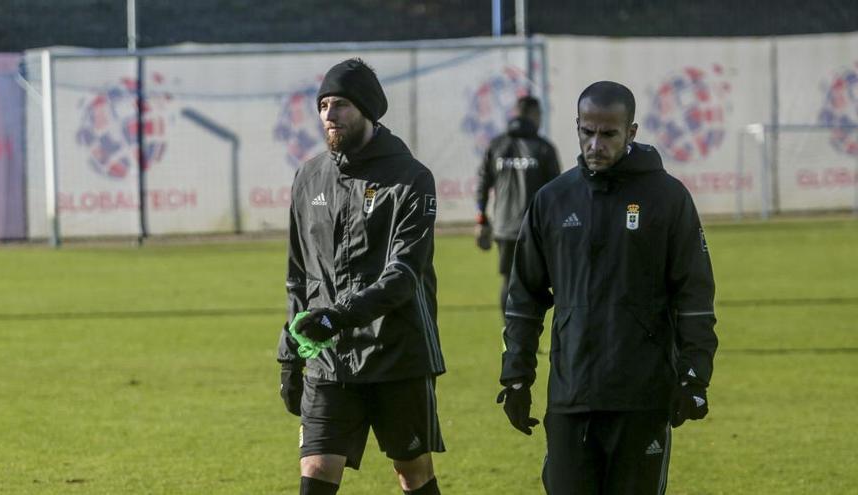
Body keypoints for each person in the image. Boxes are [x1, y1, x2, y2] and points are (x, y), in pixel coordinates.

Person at [496, 81, 718, 494]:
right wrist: (516, 377)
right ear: (577, 126)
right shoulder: (553, 200)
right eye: (587, 131)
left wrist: (694, 375)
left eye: (608, 133)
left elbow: (695, 294)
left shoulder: (667, 198)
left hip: (642, 396)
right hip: (570, 394)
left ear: (631, 132)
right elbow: (524, 297)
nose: (595, 143)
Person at [277, 58, 445, 495]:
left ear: (368, 111)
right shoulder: (308, 177)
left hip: (397, 352)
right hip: (329, 358)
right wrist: (289, 354)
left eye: (342, 105)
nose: (329, 115)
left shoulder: (411, 179)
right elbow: (299, 275)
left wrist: (337, 316)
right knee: (316, 467)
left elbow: (403, 275)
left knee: (412, 471)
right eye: (324, 105)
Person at [475, 95, 561, 317]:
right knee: (540, 283)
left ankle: (510, 338)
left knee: (509, 281)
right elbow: (557, 192)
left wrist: (481, 220)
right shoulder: (543, 148)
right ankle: (530, 337)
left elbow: (483, 184)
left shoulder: (496, 145)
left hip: (504, 229)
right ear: (534, 115)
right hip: (536, 229)